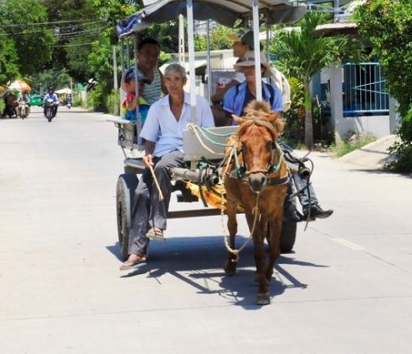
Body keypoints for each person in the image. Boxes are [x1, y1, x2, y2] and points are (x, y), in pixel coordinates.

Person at [120, 63, 215, 270]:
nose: (173, 84)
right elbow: (150, 137)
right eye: (169, 80)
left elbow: (209, 131)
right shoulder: (158, 107)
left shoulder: (199, 104)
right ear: (164, 83)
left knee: (163, 166)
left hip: (191, 152)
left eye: (177, 79)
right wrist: (147, 154)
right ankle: (136, 251)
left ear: (184, 82)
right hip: (163, 151)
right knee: (141, 192)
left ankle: (158, 224)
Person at [222, 52, 333, 223]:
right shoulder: (233, 93)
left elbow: (277, 122)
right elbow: (230, 120)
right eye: (245, 68)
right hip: (242, 139)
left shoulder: (273, 93)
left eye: (252, 67)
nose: (248, 70)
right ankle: (286, 206)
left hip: (267, 138)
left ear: (262, 70)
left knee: (294, 162)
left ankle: (310, 204)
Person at [121, 37, 168, 107]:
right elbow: (129, 104)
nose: (152, 58)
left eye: (156, 55)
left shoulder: (156, 71)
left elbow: (169, 91)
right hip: (135, 116)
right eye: (147, 53)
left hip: (155, 116)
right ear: (138, 55)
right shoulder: (130, 74)